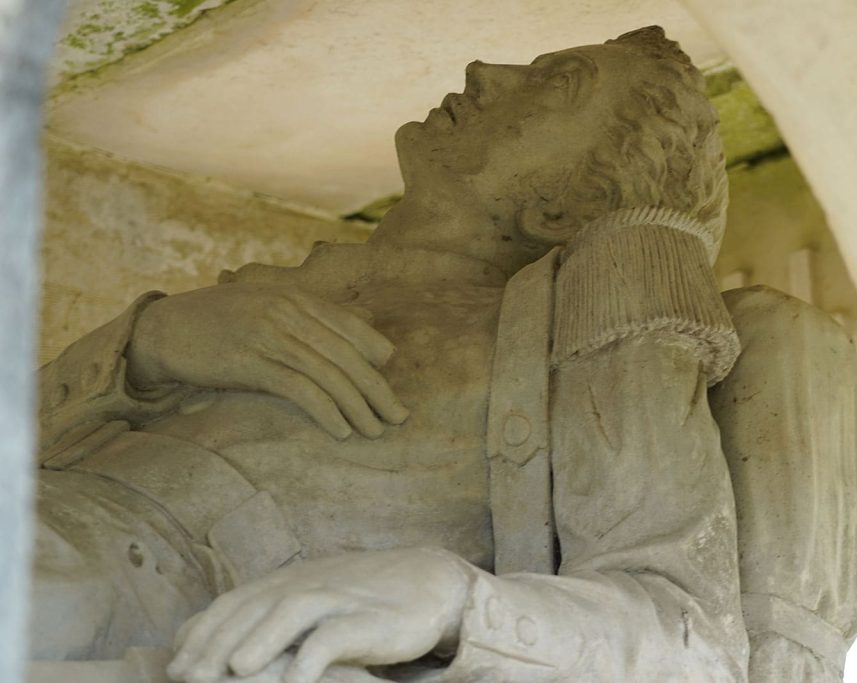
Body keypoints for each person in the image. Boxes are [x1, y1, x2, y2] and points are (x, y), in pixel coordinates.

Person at [34, 26, 750, 681]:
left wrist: (452, 598)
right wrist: (148, 347)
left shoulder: (566, 339)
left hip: (143, 584)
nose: (482, 70)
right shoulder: (276, 288)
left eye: (556, 86)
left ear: (560, 211)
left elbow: (687, 641)